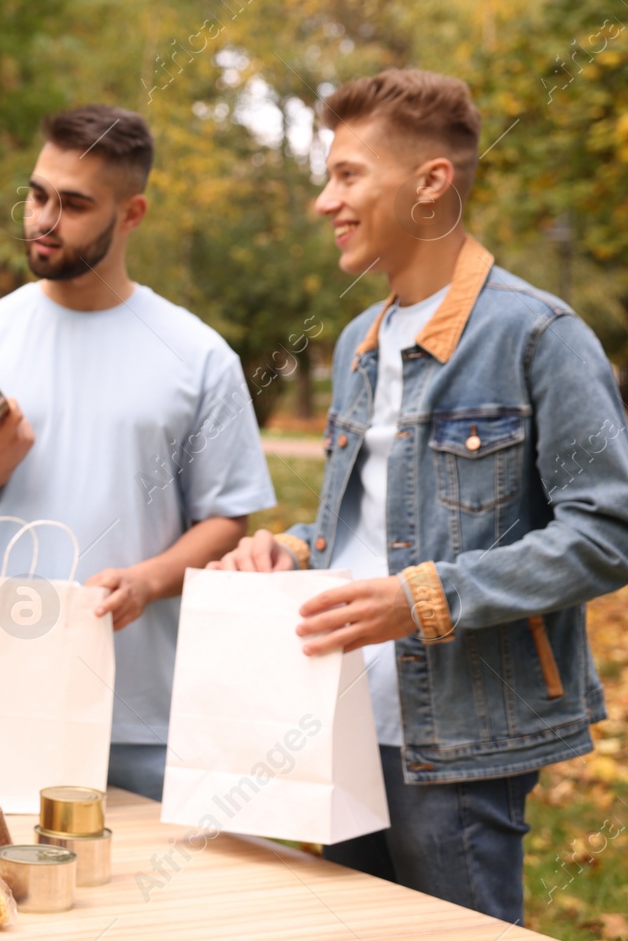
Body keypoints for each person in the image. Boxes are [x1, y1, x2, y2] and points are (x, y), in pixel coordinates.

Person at [210, 68, 628, 925]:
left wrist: (424, 598)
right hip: (335, 719)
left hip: (464, 735)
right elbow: (362, 519)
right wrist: (289, 547)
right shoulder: (360, 341)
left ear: (431, 181)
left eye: (348, 175)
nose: (325, 200)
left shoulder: (540, 335)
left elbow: (607, 532)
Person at [0, 103, 275, 801]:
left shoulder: (197, 357)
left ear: (130, 214)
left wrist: (148, 580)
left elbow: (228, 519)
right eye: (38, 194)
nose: (44, 219)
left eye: (74, 204)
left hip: (146, 717)